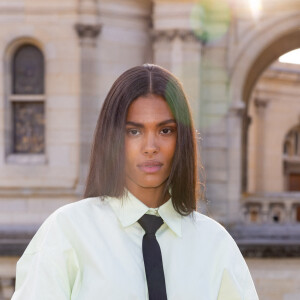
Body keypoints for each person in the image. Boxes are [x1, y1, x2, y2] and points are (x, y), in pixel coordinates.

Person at [11, 64, 259, 300]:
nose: (150, 147)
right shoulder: (67, 232)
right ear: (113, 138)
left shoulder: (215, 244)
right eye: (134, 131)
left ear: (181, 138)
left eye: (165, 131)